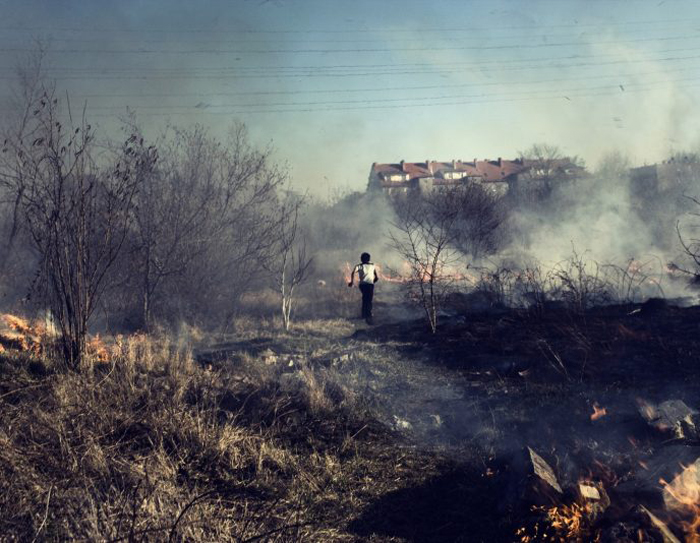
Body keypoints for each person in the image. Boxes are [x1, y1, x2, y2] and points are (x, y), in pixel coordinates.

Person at [348, 252, 379, 324]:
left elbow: (353, 272)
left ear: (361, 259)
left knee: (365, 299)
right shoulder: (372, 266)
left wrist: (351, 282)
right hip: (370, 285)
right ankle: (368, 315)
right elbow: (377, 277)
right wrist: (372, 282)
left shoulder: (359, 266)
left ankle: (364, 314)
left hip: (363, 285)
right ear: (369, 259)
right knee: (369, 299)